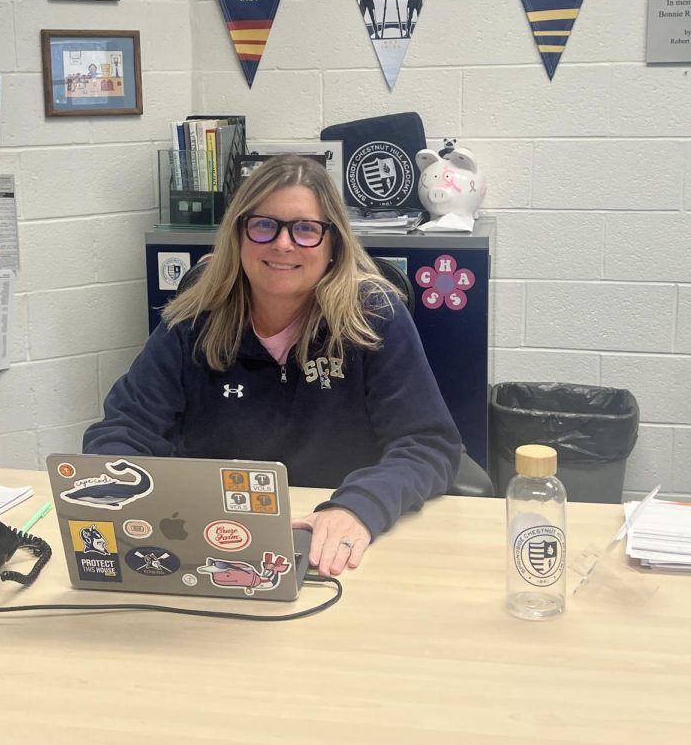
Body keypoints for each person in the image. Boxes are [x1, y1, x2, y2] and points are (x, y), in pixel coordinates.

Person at [82, 156, 461, 576]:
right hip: (213, 544)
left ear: (333, 244)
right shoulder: (192, 321)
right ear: (238, 235)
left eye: (305, 229)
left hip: (337, 547)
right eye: (264, 225)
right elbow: (124, 430)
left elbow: (428, 444)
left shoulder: (373, 316)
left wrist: (358, 507)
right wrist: (135, 504)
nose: (283, 244)